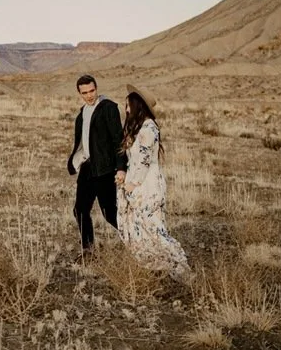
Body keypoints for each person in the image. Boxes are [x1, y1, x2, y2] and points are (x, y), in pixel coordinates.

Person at [116, 84, 190, 280]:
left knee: (154, 229)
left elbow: (144, 159)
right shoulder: (141, 128)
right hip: (138, 184)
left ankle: (180, 268)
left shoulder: (149, 128)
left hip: (146, 186)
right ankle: (157, 269)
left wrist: (132, 185)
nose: (126, 110)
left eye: (128, 105)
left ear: (137, 106)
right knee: (141, 228)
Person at [66, 74, 126, 251]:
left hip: (105, 168)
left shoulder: (108, 108)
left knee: (110, 214)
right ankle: (88, 250)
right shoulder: (81, 114)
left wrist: (121, 168)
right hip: (88, 167)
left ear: (96, 88)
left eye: (92, 90)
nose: (89, 95)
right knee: (80, 210)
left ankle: (138, 242)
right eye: (84, 92)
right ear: (80, 93)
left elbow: (118, 140)